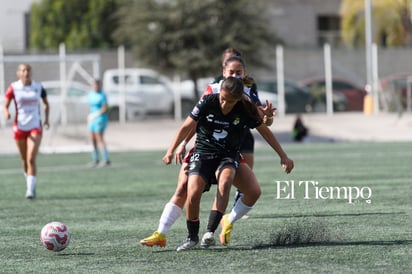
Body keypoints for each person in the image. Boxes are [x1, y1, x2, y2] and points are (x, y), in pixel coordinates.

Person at [139, 54, 274, 248]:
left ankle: (218, 225)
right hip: (204, 147)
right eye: (231, 72)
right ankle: (163, 233)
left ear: (244, 72)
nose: (235, 75)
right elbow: (196, 121)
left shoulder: (247, 92)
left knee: (245, 187)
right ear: (223, 72)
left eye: (239, 72)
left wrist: (268, 118)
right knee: (185, 189)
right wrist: (182, 144)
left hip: (233, 145)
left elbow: (262, 119)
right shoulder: (213, 91)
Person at [163, 77, 293, 251]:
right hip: (203, 152)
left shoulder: (245, 109)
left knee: (226, 182)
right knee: (192, 191)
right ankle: (192, 237)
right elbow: (186, 126)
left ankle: (209, 232)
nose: (224, 104)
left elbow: (266, 132)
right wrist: (171, 150)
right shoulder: (208, 101)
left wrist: (283, 156)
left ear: (238, 99)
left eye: (230, 101)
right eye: (223, 98)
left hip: (227, 155)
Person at [2, 63, 50, 199]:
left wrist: (46, 119)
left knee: (31, 158)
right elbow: (5, 105)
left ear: (31, 72)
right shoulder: (14, 87)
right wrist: (6, 112)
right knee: (24, 160)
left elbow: (46, 103)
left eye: (28, 70)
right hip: (19, 127)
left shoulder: (38, 87)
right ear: (18, 73)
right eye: (23, 70)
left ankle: (30, 190)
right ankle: (28, 177)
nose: (26, 72)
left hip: (35, 126)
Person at [87, 79, 111, 167]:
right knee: (92, 139)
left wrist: (96, 114)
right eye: (94, 85)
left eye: (97, 85)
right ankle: (95, 159)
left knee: (99, 137)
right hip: (92, 118)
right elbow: (90, 106)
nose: (96, 87)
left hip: (100, 118)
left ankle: (106, 159)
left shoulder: (102, 95)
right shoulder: (91, 94)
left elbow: (105, 107)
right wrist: (90, 116)